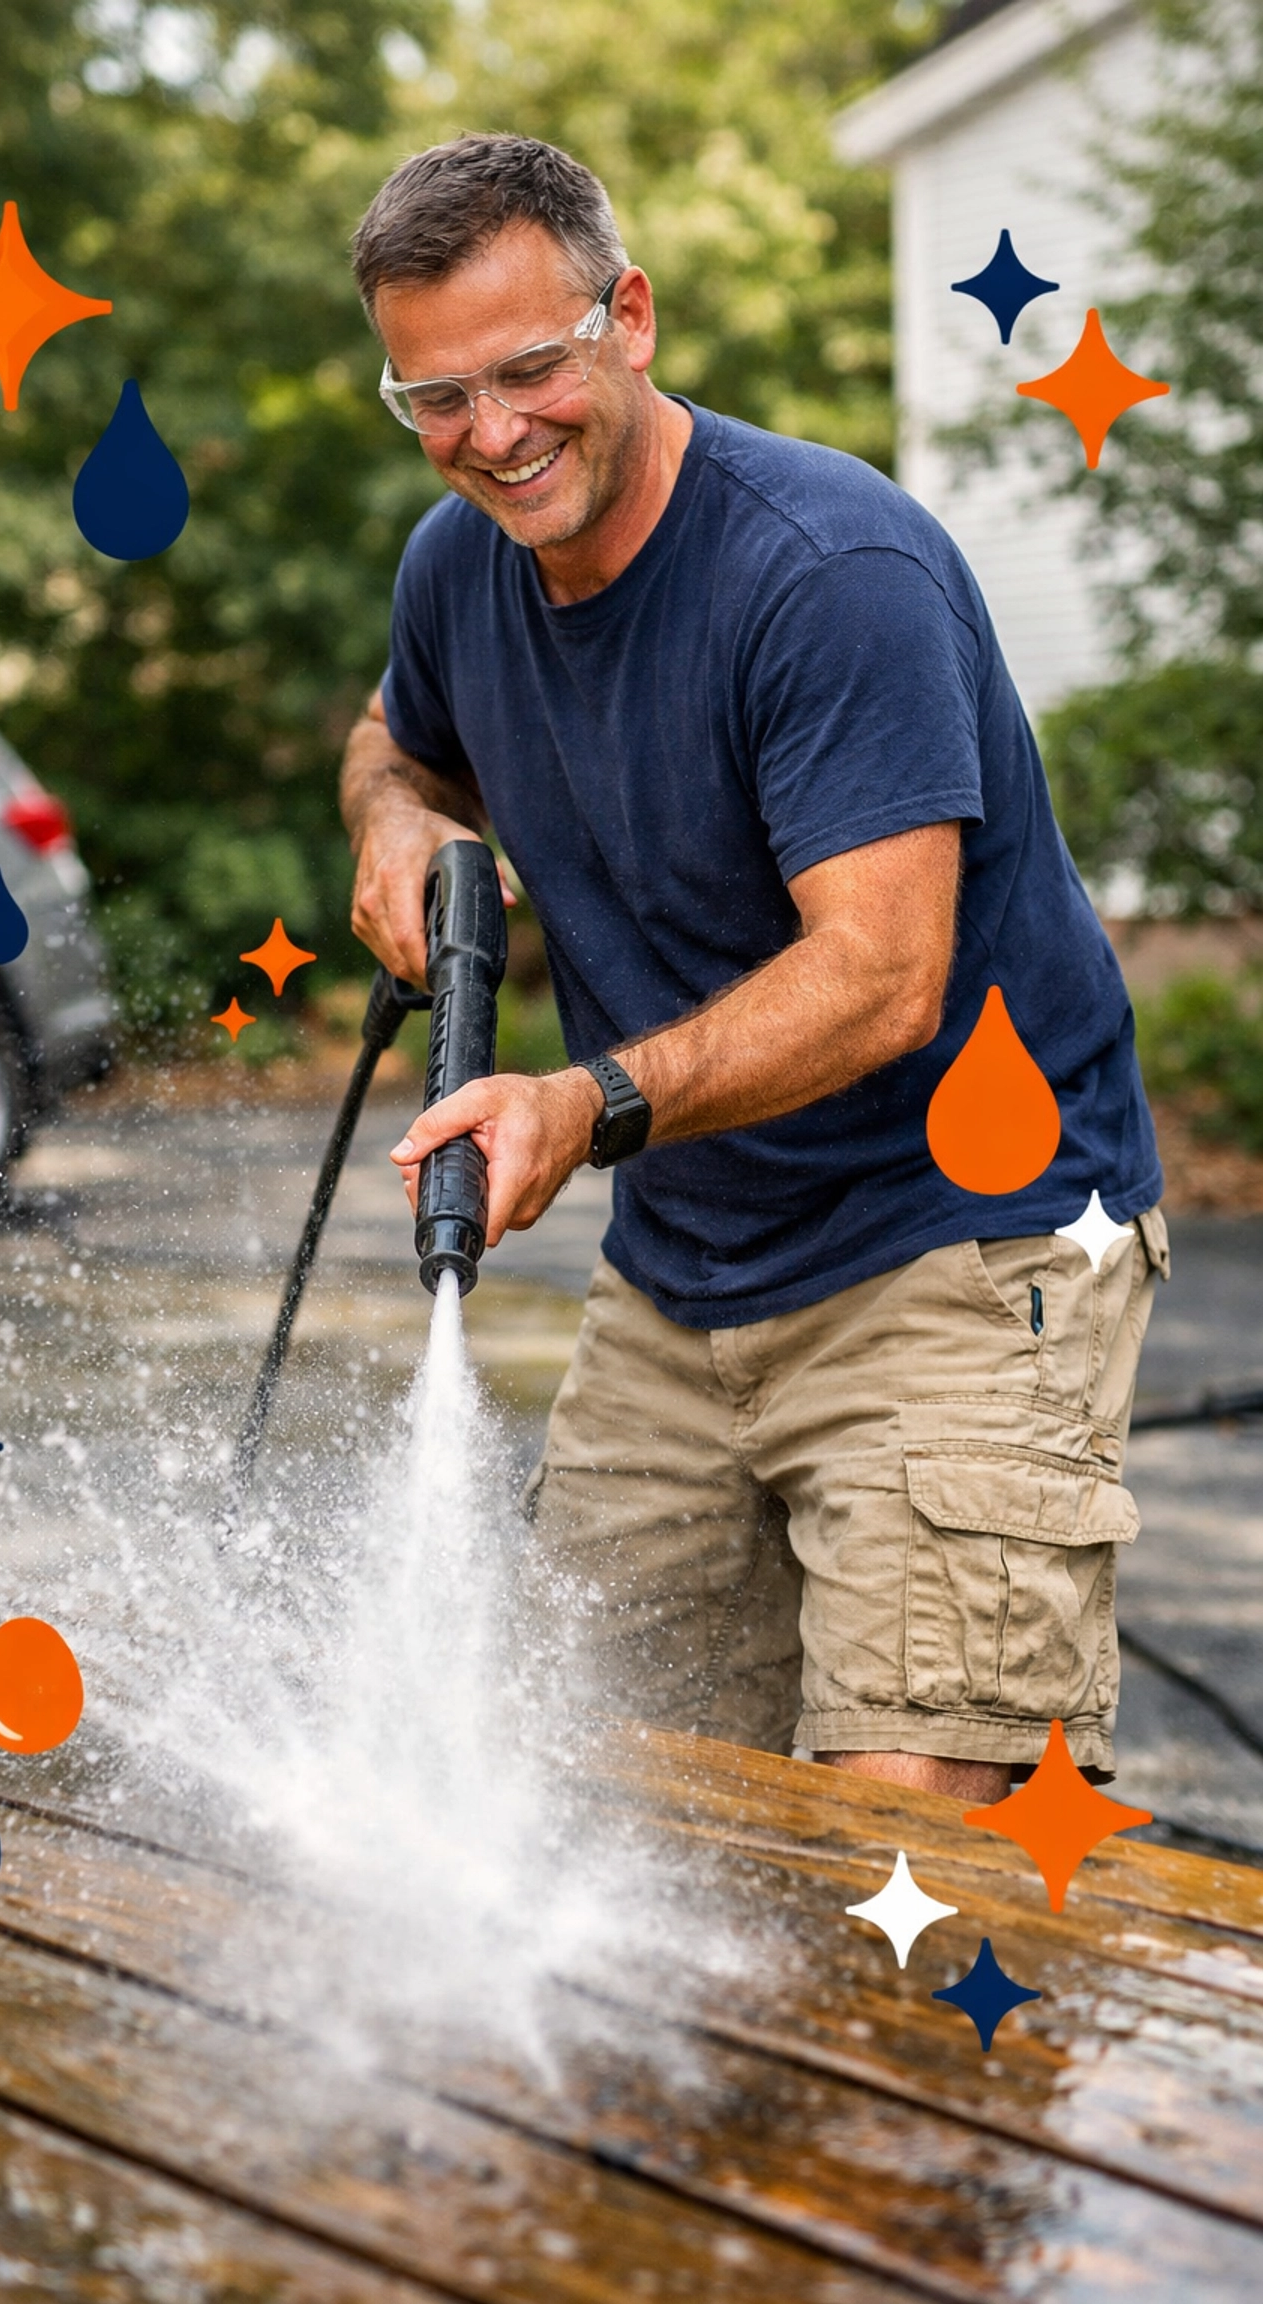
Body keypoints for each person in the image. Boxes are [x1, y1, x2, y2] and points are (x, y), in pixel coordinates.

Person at [340, 133, 1167, 1802]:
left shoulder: (826, 573)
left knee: (903, 1855)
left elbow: (882, 976)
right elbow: (393, 741)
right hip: (687, 1269)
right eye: (437, 396)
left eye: (530, 368)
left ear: (630, 318)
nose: (492, 434)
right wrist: (397, 818)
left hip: (966, 1245)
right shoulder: (458, 571)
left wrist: (583, 1105)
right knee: (598, 1811)